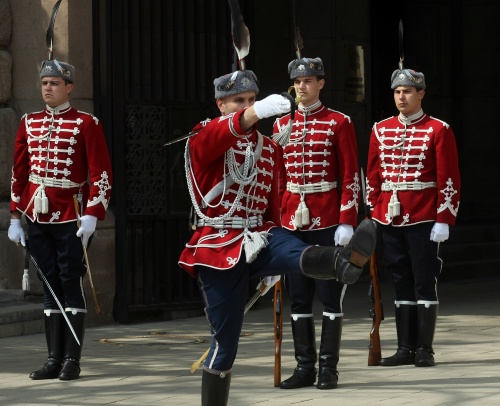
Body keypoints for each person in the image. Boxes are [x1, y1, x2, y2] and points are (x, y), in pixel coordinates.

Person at [178, 68, 376, 405]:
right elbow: (220, 136)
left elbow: (273, 208)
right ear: (221, 104)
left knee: (292, 247)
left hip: (260, 234)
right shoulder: (203, 137)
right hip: (219, 244)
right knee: (225, 344)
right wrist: (257, 112)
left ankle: (341, 261)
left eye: (251, 100)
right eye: (238, 101)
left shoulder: (269, 149)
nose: (247, 106)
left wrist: (273, 263)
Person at [8, 57, 113, 380]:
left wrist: (94, 214)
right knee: (48, 283)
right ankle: (53, 358)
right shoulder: (28, 122)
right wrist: (14, 216)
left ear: (69, 87)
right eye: (44, 83)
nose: (48, 88)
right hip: (36, 213)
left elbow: (102, 173)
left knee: (70, 279)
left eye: (54, 83)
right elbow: (19, 170)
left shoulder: (87, 123)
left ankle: (72, 359)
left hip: (73, 214)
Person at [272, 57, 360, 390]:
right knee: (299, 296)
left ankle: (328, 369)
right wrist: (274, 223)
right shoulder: (281, 126)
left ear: (321, 83)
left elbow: (351, 172)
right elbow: (277, 178)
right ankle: (304, 367)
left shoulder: (339, 122)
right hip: (292, 220)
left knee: (329, 295)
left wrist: (347, 220)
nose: (302, 87)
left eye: (309, 81)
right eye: (298, 82)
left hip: (327, 218)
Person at [366, 68, 460, 367]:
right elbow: (373, 175)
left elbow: (449, 177)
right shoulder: (380, 129)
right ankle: (405, 348)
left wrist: (444, 217)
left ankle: (424, 349)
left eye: (407, 91)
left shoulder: (438, 129)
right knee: (399, 279)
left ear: (421, 94)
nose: (402, 96)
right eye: (397, 91)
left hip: (423, 216)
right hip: (389, 216)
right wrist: (373, 213)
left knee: (424, 280)